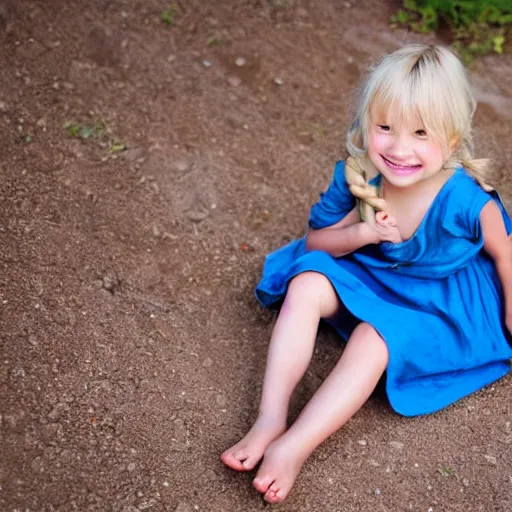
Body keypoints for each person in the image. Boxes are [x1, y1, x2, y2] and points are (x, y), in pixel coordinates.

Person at [220, 44, 512, 504]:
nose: (399, 148)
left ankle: (295, 446)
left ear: (452, 140)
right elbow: (316, 241)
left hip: (441, 300)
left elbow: (506, 257)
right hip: (377, 271)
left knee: (374, 337)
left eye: (421, 133)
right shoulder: (357, 176)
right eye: (385, 127)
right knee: (308, 279)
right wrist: (361, 233)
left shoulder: (468, 200)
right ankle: (270, 418)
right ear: (366, 122)